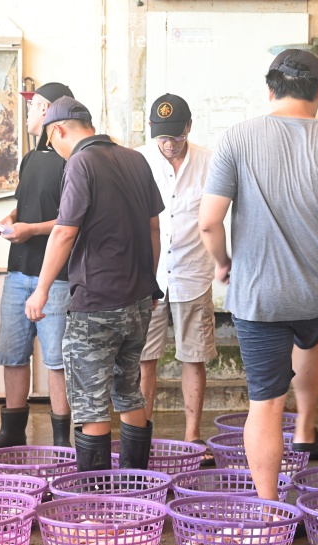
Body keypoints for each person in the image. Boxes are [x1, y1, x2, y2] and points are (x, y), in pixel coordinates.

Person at [198, 49, 318, 500]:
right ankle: (304, 427)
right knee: (311, 336)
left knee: (264, 403)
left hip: (260, 296)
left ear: (269, 90)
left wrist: (223, 262)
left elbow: (208, 222)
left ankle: (267, 506)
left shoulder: (236, 139)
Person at [24, 96, 164, 472]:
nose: (57, 152)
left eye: (54, 144)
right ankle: (136, 487)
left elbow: (64, 233)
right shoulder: (136, 159)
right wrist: (149, 282)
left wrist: (41, 289)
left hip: (96, 302)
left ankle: (96, 503)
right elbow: (154, 227)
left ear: (58, 130)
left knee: (90, 401)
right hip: (138, 300)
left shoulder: (81, 163)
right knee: (129, 390)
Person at [0, 82, 75, 452]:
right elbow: (26, 201)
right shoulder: (31, 158)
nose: (29, 113)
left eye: (33, 107)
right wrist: (13, 216)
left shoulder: (72, 159)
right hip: (18, 270)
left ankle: (62, 440)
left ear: (49, 110)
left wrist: (30, 230)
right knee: (12, 352)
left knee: (56, 359)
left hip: (57, 276)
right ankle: (12, 430)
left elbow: (71, 220)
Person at [135, 93, 217, 466]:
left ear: (188, 127)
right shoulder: (138, 159)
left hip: (193, 273)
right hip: (147, 275)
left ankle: (193, 439)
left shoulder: (210, 162)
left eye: (175, 136)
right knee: (144, 359)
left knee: (193, 356)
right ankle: (141, 433)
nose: (168, 144)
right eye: (162, 136)